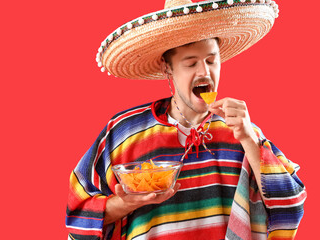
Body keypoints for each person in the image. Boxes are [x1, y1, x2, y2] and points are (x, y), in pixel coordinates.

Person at [66, 0, 306, 239]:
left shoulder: (244, 133)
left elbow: (289, 205)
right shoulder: (123, 133)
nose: (204, 72)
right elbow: (78, 214)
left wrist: (249, 139)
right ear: (167, 67)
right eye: (191, 63)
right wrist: (126, 204)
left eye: (211, 60)